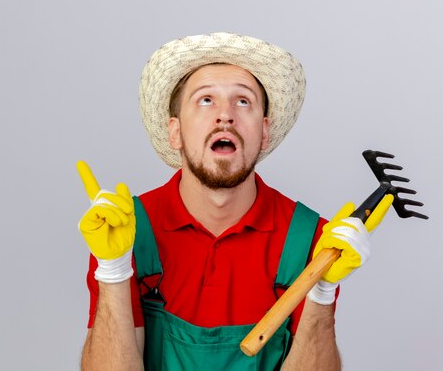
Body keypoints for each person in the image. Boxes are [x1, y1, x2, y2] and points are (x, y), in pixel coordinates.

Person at [76, 33, 392, 370]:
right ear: (176, 132)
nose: (225, 115)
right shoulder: (125, 231)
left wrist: (321, 291)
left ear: (264, 132)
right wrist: (113, 269)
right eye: (205, 100)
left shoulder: (310, 240)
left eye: (243, 102)